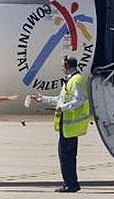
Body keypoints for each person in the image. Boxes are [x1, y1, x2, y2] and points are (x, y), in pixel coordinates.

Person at [31, 56, 91, 193]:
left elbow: (79, 100)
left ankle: (70, 184)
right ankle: (71, 183)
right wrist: (43, 99)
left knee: (66, 157)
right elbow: (60, 99)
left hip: (70, 127)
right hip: (67, 127)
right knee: (67, 157)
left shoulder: (76, 81)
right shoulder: (71, 80)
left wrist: (63, 108)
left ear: (67, 66)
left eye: (63, 65)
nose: (61, 68)